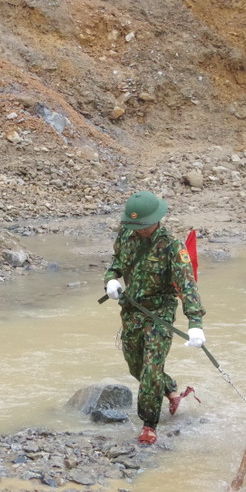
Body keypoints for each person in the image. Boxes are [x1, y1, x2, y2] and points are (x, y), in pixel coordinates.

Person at [103, 191, 206, 446]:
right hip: (131, 311)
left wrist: (195, 324)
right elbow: (117, 260)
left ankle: (149, 425)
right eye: (134, 225)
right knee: (136, 366)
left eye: (142, 225)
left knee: (150, 370)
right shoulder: (126, 234)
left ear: (155, 220)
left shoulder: (172, 246)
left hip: (160, 313)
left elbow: (187, 285)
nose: (138, 229)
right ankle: (171, 390)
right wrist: (111, 279)